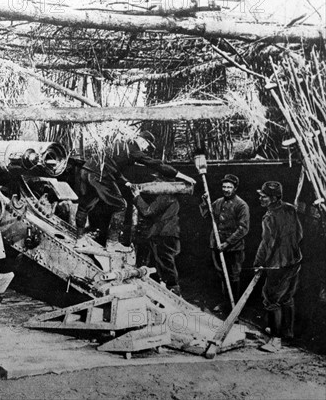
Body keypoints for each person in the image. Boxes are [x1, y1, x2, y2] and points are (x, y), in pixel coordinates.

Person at [75, 131, 196, 252]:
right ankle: (112, 242)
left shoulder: (119, 145)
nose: (145, 148)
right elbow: (155, 164)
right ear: (143, 141)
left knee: (85, 205)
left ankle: (79, 240)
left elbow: (111, 165)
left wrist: (126, 182)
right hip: (100, 176)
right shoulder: (134, 150)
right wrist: (182, 176)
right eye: (147, 146)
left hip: (86, 170)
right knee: (121, 206)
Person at [253, 181, 303, 352]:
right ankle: (287, 333)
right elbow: (300, 234)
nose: (260, 198)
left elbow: (267, 243)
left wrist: (259, 263)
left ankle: (275, 340)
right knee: (287, 298)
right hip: (295, 260)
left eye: (264, 196)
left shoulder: (269, 217)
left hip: (278, 265)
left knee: (271, 299)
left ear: (273, 198)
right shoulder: (290, 209)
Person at [200, 174, 250, 311]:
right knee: (222, 275)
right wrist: (205, 202)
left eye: (229, 187)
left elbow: (243, 229)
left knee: (233, 277)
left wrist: (227, 243)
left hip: (234, 248)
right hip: (217, 244)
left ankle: (234, 307)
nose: (226, 189)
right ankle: (225, 303)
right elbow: (206, 215)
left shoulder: (241, 205)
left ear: (235, 188)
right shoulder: (218, 202)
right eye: (224, 186)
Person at [131, 182, 182, 296]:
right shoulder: (171, 197)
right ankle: (169, 289)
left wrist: (136, 196)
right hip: (168, 232)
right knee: (162, 260)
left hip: (164, 232)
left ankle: (173, 291)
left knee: (165, 261)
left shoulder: (165, 197)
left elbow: (147, 211)